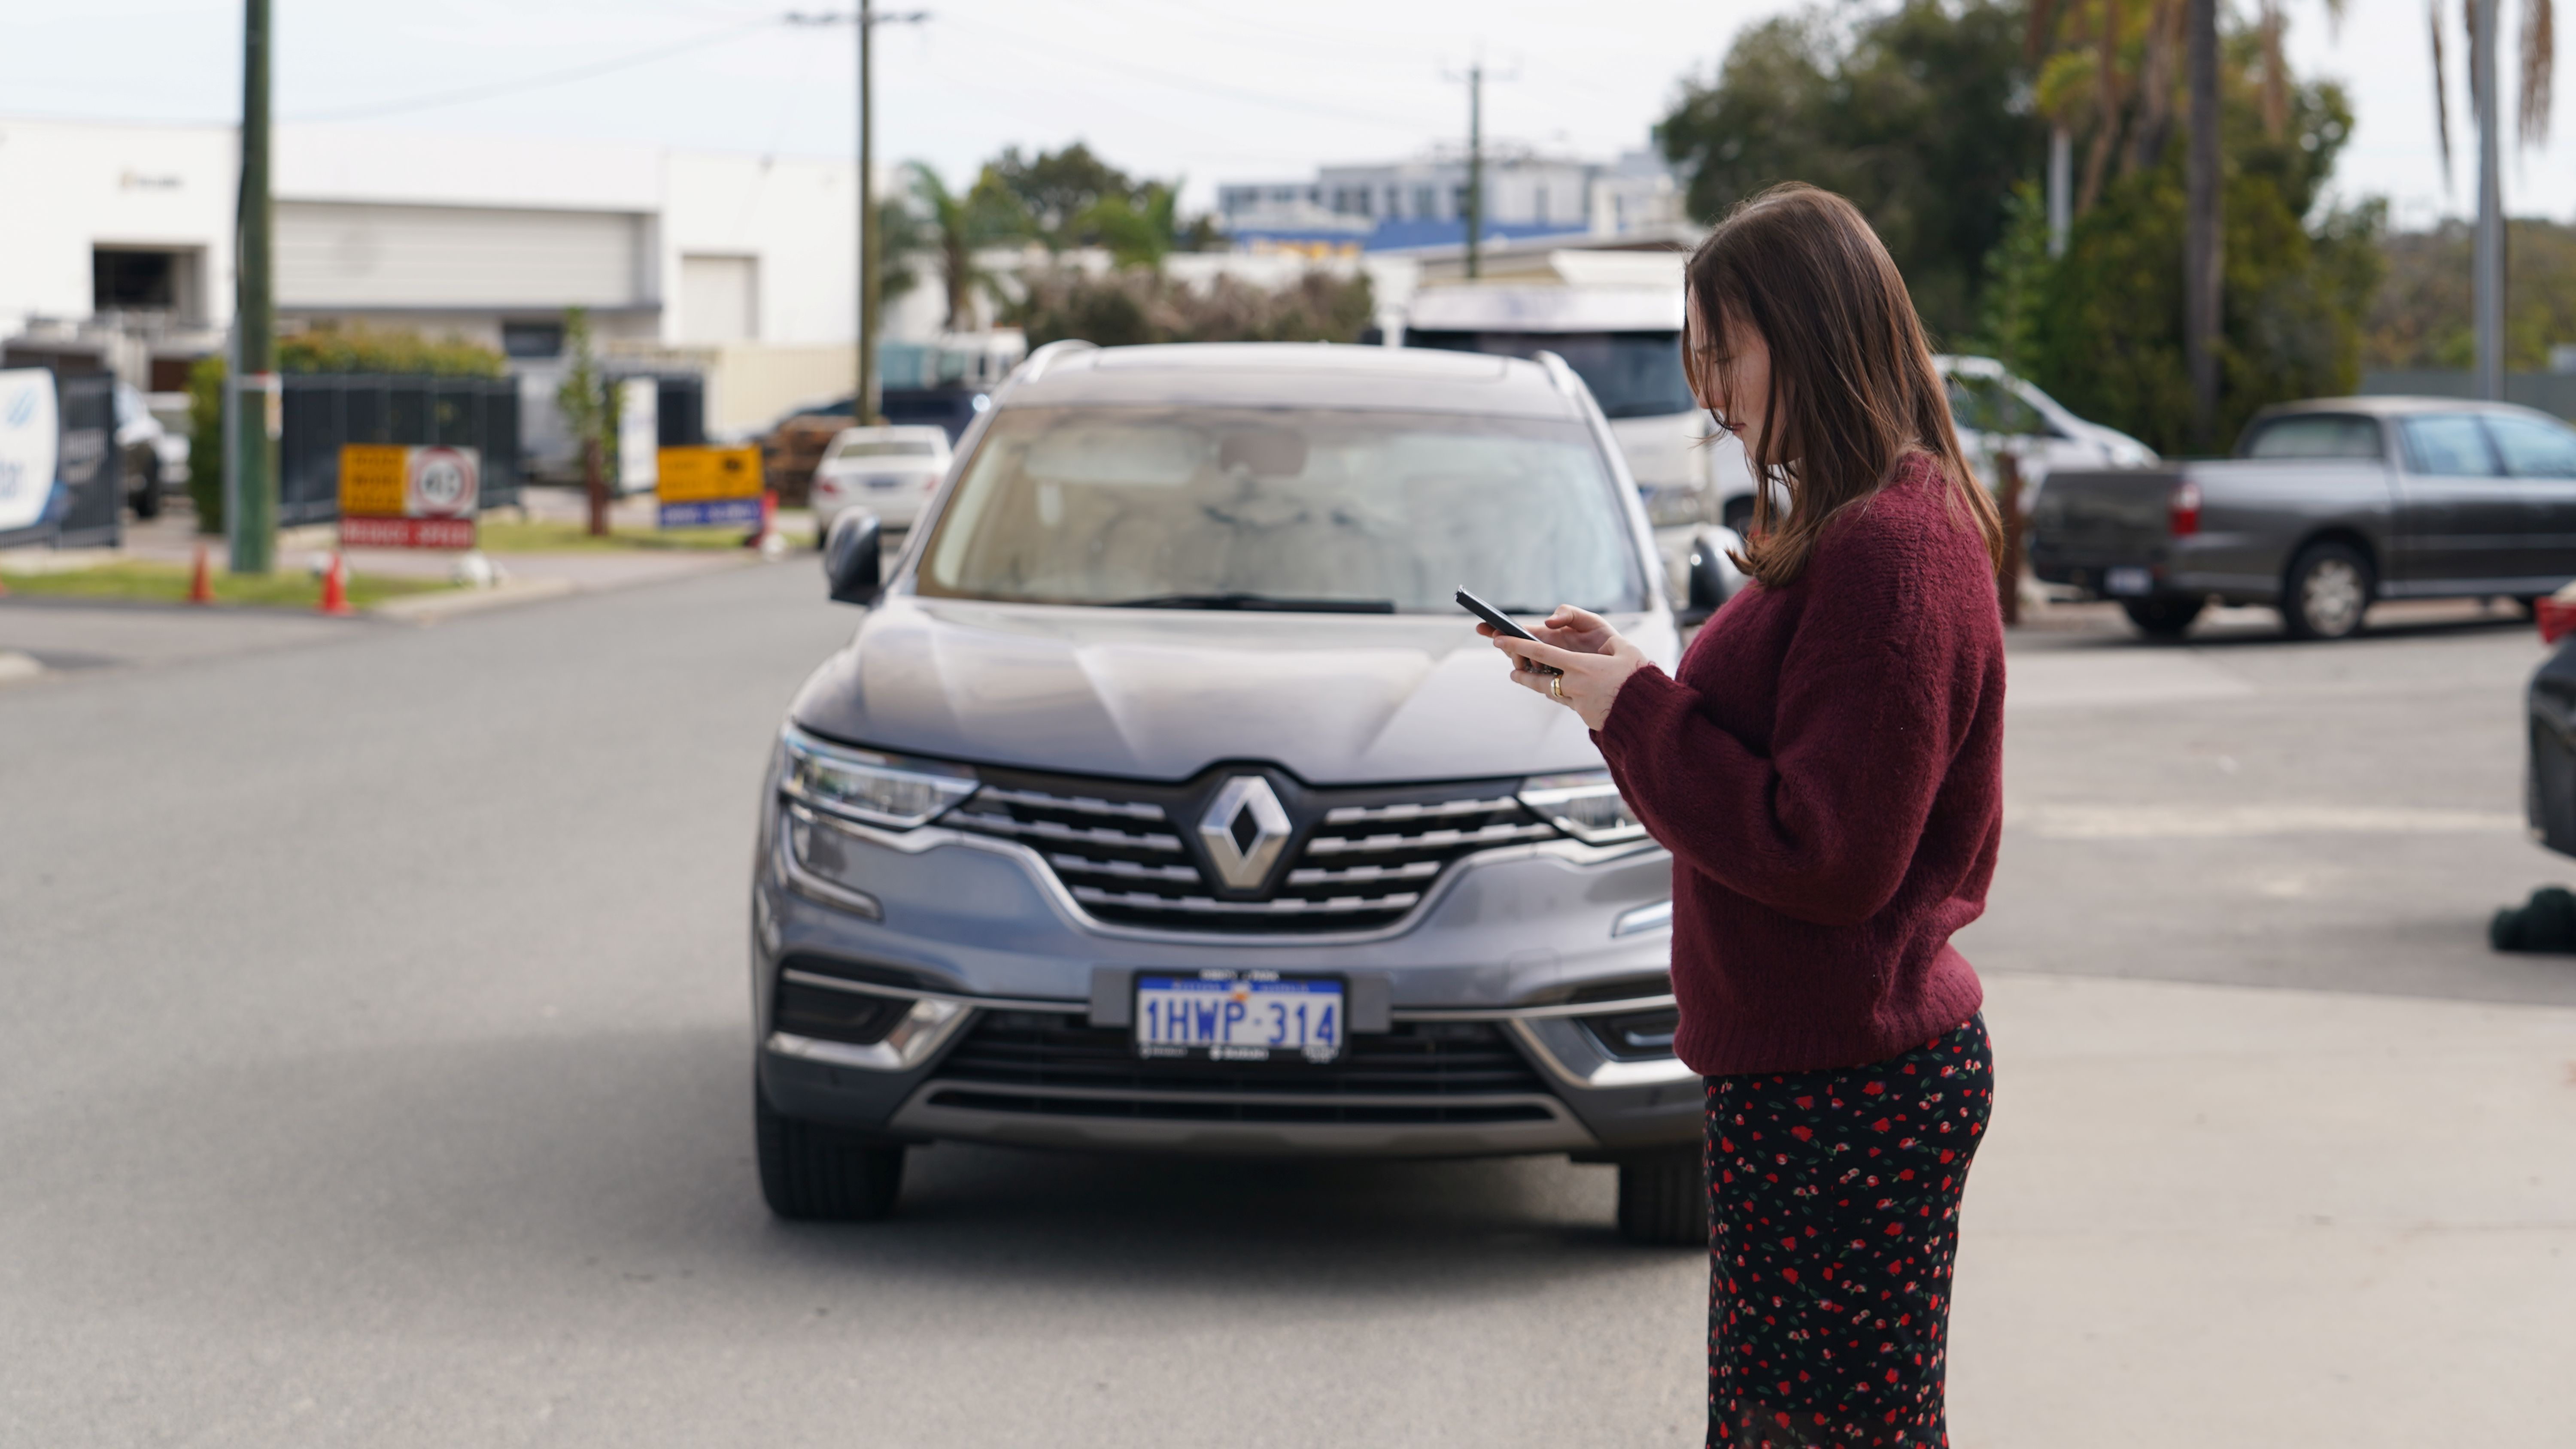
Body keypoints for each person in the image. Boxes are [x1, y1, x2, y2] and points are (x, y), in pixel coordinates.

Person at [1480, 183, 2006, 1448]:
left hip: (1847, 1090)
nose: (1707, 386)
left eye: (1725, 348)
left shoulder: (1890, 545)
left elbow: (1828, 856)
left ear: (1811, 333)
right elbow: (1768, 767)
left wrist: (1635, 710)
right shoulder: (1857, 523)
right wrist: (1623, 685)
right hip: (1816, 1078)